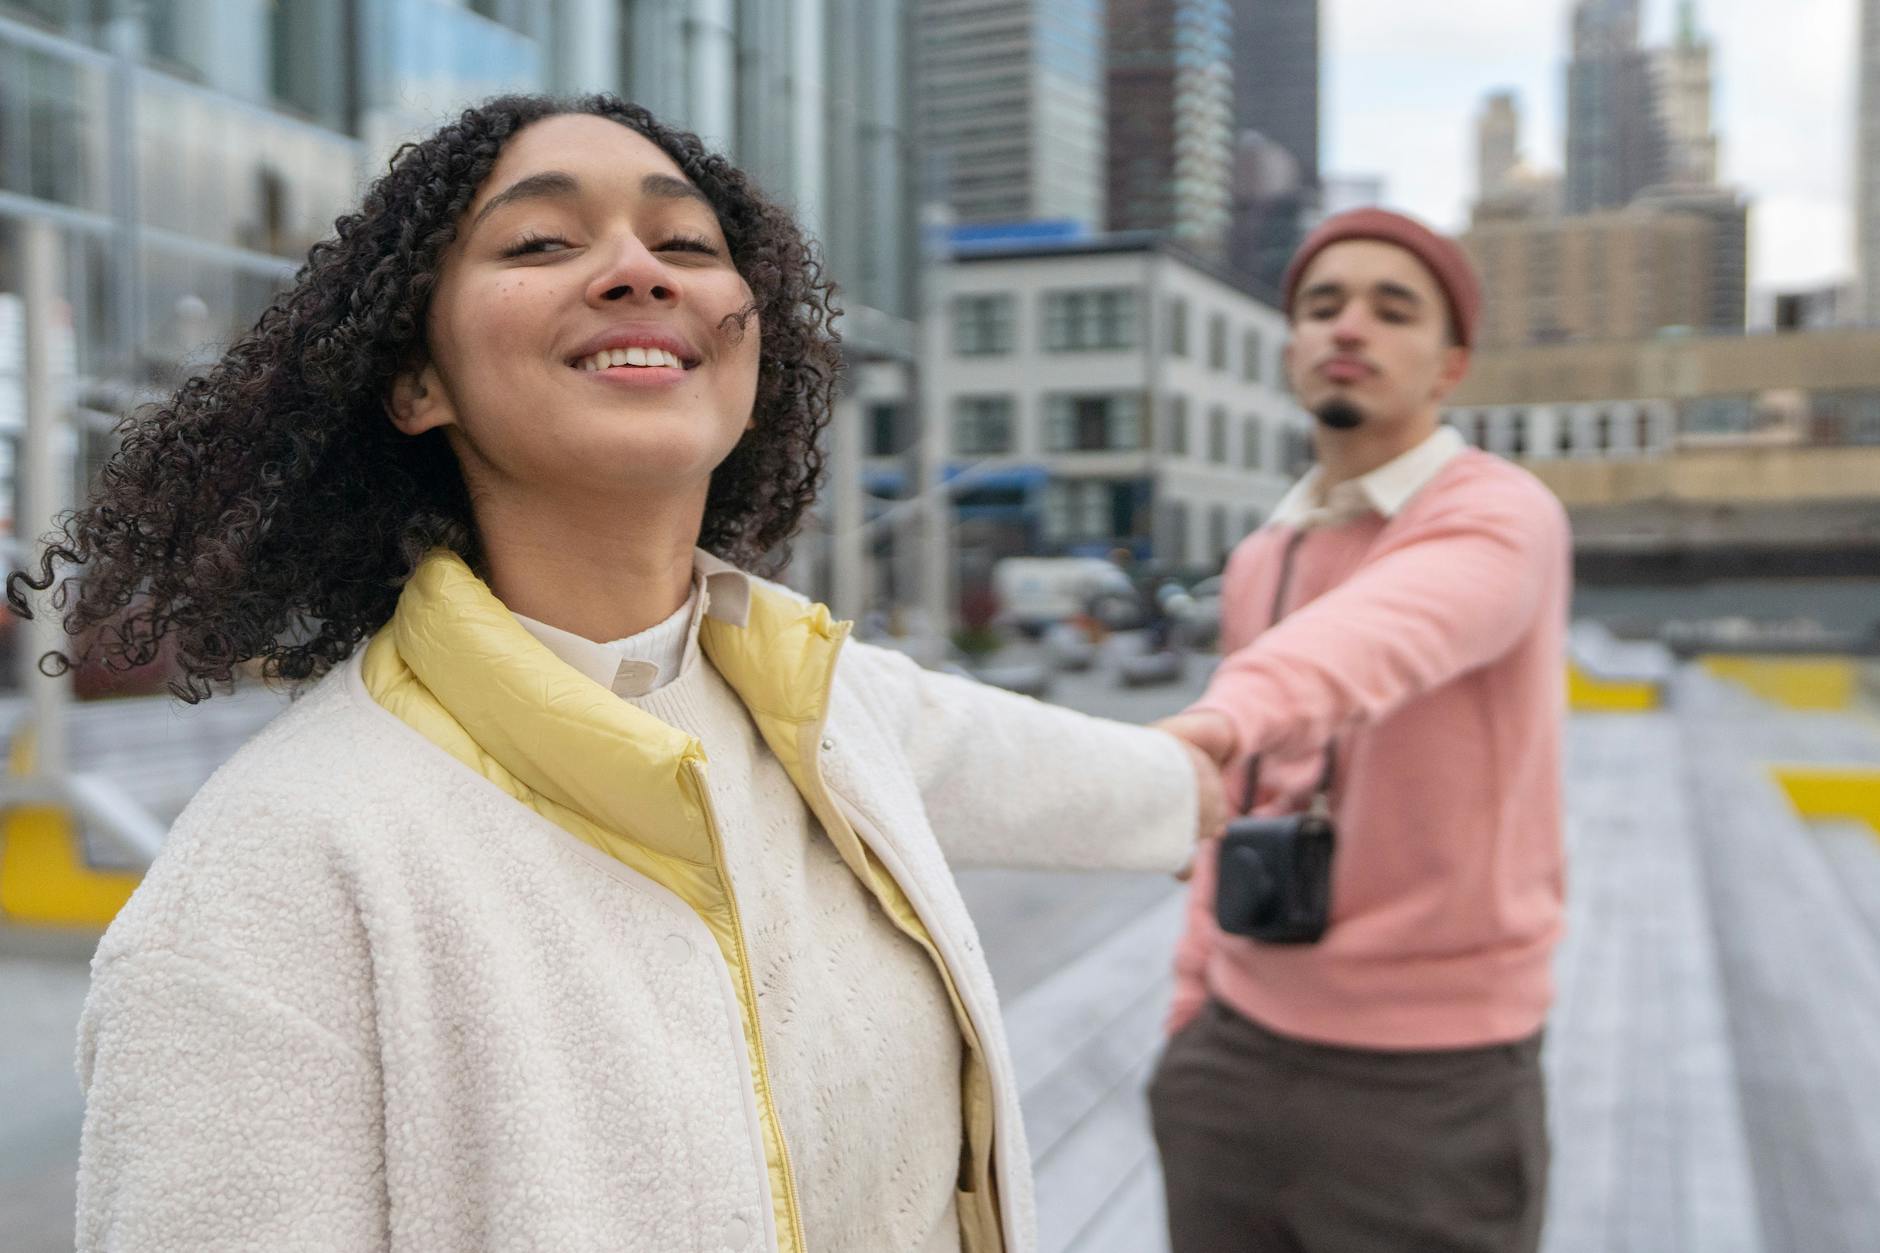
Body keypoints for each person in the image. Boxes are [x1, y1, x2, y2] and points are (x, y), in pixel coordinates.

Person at [13, 94, 1229, 1253]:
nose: (637, 269)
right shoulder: (273, 873)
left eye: (686, 240)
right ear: (413, 381)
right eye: (539, 238)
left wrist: (1264, 743)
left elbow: (1154, 777)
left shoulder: (822, 702)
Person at [1149, 208, 1571, 1253]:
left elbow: (1379, 633)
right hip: (1234, 1053)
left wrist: (1214, 720)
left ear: (1448, 364)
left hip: (1431, 1078)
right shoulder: (1263, 556)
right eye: (1323, 304)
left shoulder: (1500, 514)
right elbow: (1241, 799)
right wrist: (1191, 1006)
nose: (1349, 327)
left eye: (1393, 309)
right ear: (1290, 345)